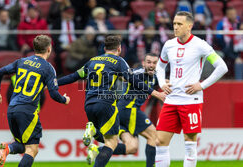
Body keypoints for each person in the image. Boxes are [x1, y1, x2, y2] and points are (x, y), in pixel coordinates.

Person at [57, 35, 164, 167]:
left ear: (104, 48)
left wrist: (54, 83)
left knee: (130, 146)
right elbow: (133, 80)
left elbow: (73, 76)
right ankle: (95, 133)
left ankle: (95, 137)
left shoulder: (92, 61)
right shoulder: (119, 61)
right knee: (113, 142)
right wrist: (155, 93)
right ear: (119, 49)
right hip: (109, 104)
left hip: (89, 104)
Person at [155, 11, 228, 167]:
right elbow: (160, 66)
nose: (175, 27)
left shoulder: (200, 45)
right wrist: (162, 83)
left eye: (179, 24)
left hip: (191, 100)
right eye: (174, 23)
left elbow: (222, 67)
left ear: (190, 26)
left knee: (189, 143)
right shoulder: (169, 44)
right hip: (171, 99)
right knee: (160, 141)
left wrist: (201, 85)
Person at [0, 35, 70, 167]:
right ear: (49, 49)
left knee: (22, 145)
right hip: (27, 110)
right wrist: (65, 100)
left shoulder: (22, 61)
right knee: (32, 149)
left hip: (12, 109)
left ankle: (8, 148)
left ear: (34, 48)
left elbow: (0, 72)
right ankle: (7, 148)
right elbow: (53, 94)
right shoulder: (48, 68)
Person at [88, 53, 165, 167]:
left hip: (122, 113)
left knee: (131, 147)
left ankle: (97, 150)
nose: (151, 65)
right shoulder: (139, 73)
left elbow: (165, 82)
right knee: (154, 135)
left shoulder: (155, 77)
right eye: (148, 62)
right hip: (128, 109)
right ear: (143, 63)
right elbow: (126, 75)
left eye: (154, 63)